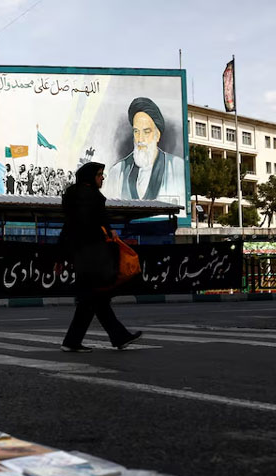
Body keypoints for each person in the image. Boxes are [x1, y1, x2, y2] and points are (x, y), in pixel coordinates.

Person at [58, 162, 142, 352]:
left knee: (93, 300)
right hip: (94, 258)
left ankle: (78, 341)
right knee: (96, 298)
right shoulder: (92, 198)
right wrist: (109, 231)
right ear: (90, 177)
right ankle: (116, 337)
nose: (102, 178)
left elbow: (67, 229)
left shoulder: (73, 199)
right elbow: (100, 219)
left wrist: (60, 257)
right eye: (99, 175)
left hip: (81, 258)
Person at [104, 97, 185, 201]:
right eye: (136, 131)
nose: (140, 139)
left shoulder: (177, 167)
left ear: (157, 135)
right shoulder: (117, 172)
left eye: (146, 131)